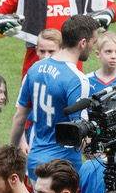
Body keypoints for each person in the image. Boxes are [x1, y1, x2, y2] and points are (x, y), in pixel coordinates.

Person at [10, 15, 96, 179]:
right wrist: (101, 161)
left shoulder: (35, 68)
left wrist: (12, 159)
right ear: (83, 43)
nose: (93, 47)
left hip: (36, 163)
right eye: (93, 42)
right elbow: (80, 131)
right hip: (63, 168)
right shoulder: (77, 79)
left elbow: (20, 117)